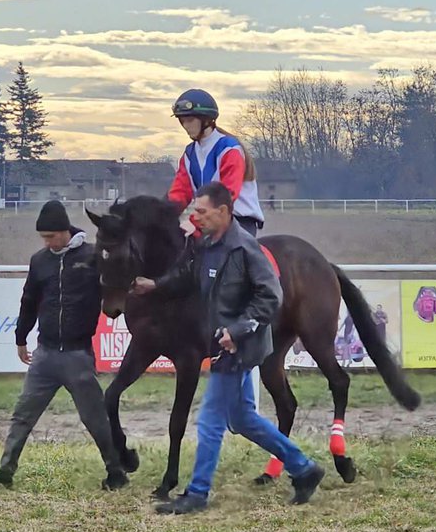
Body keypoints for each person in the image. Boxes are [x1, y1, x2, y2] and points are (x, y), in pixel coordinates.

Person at [132, 182, 325, 514]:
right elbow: (188, 278)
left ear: (223, 212)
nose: (196, 217)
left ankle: (197, 493)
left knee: (209, 420)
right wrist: (156, 285)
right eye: (194, 211)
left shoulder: (246, 250)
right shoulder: (208, 245)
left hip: (238, 347)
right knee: (243, 420)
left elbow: (271, 296)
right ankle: (304, 468)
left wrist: (237, 330)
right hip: (222, 342)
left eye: (202, 211)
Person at [0, 200, 129, 492]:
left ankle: (115, 470)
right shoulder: (39, 260)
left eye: (51, 237)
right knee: (23, 414)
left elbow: (116, 286)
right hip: (44, 354)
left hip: (77, 355)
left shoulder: (93, 256)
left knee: (94, 418)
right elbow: (29, 300)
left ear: (65, 231)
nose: (47, 243)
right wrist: (21, 337)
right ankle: (5, 471)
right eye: (43, 238)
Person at [167, 89, 266, 237]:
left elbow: (225, 196)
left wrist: (195, 222)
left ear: (206, 120)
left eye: (190, 120)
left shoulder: (229, 149)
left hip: (238, 221)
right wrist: (162, 217)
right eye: (182, 121)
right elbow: (179, 194)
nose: (186, 126)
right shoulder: (189, 154)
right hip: (207, 222)